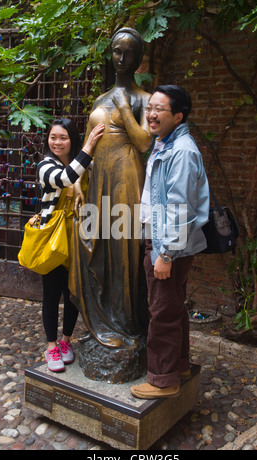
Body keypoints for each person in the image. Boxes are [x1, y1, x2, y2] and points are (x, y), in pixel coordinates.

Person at [70, 28, 152, 350]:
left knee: (124, 248)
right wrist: (77, 180)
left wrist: (125, 107)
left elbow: (145, 141)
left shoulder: (144, 99)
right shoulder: (100, 99)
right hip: (97, 178)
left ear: (137, 57)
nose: (120, 58)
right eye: (116, 51)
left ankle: (128, 323)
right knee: (95, 243)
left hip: (126, 176)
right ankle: (102, 321)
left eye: (126, 53)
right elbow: (88, 147)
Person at [130, 85, 210, 399]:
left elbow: (180, 208)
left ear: (178, 116)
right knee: (173, 305)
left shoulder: (182, 151)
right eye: (150, 107)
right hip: (162, 241)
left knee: (161, 310)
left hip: (167, 245)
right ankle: (179, 365)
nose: (151, 114)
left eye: (159, 109)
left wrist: (165, 253)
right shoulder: (164, 144)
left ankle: (164, 380)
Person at [38, 118, 104, 372]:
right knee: (51, 295)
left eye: (63, 137)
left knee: (72, 294)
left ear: (71, 140)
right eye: (53, 137)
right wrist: (88, 147)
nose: (57, 142)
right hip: (53, 240)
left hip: (78, 237)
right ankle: (51, 346)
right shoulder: (46, 165)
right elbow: (66, 178)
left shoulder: (85, 165)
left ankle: (66, 342)